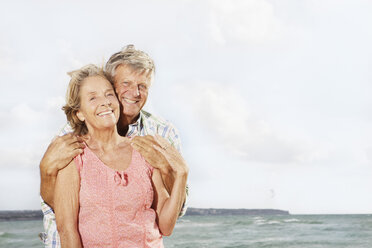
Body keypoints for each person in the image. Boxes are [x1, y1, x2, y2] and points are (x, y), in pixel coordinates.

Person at [39, 45, 189, 247]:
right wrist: (45, 171)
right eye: (126, 83)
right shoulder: (70, 142)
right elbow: (63, 218)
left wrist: (178, 172)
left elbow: (169, 218)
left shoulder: (155, 138)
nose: (135, 93)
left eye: (142, 86)